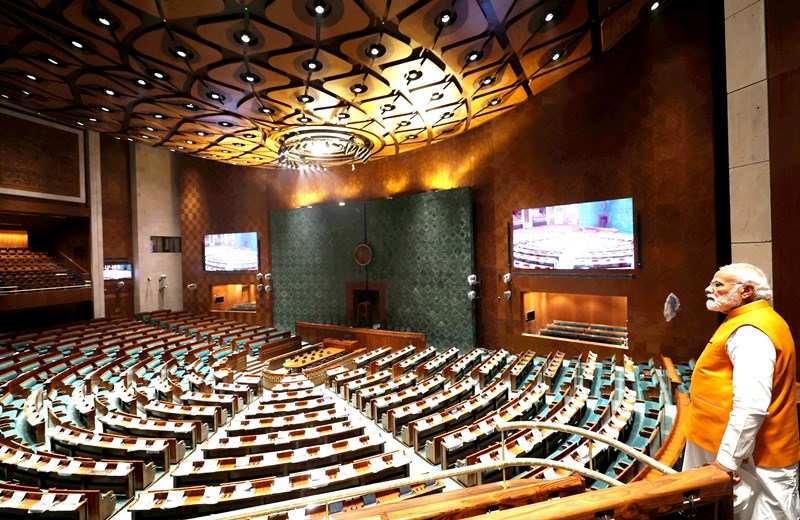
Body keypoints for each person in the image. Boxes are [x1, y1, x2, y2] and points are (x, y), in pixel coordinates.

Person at [682, 263, 800, 519]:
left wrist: (727, 462)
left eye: (718, 285)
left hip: (756, 453)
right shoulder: (747, 320)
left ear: (746, 291)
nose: (708, 289)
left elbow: (751, 405)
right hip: (724, 442)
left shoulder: (751, 331)